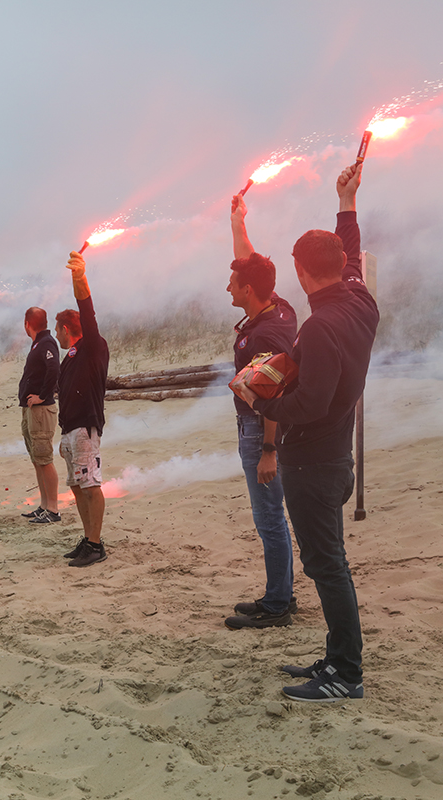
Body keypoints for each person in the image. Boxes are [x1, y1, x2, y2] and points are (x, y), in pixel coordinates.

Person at [237, 164, 378, 702]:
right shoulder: (359, 301)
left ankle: (346, 673)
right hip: (334, 457)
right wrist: (347, 203)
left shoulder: (320, 325)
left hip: (314, 461)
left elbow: (312, 402)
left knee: (326, 565)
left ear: (298, 270)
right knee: (329, 560)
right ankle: (336, 656)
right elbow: (351, 254)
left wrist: (261, 395)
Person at [223, 192, 299, 630]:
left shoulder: (267, 333)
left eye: (233, 283)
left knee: (269, 516)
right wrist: (238, 220)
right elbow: (247, 260)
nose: (228, 287)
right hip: (258, 428)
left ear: (248, 290)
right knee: (271, 515)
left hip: (260, 430)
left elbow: (274, 394)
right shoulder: (277, 306)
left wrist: (268, 447)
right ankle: (279, 594)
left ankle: (278, 605)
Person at [55, 250, 110, 567]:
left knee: (90, 485)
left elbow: (88, 313)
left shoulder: (92, 345)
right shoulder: (71, 356)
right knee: (77, 486)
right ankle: (87, 537)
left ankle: (95, 544)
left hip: (86, 427)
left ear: (65, 328)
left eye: (57, 329)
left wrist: (79, 277)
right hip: (70, 429)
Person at [18, 307, 61, 524]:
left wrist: (43, 396)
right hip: (31, 411)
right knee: (37, 459)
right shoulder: (39, 343)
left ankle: (52, 509)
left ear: (28, 323)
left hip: (41, 411)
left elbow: (54, 368)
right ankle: (44, 506)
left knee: (44, 459)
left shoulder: (46, 343)